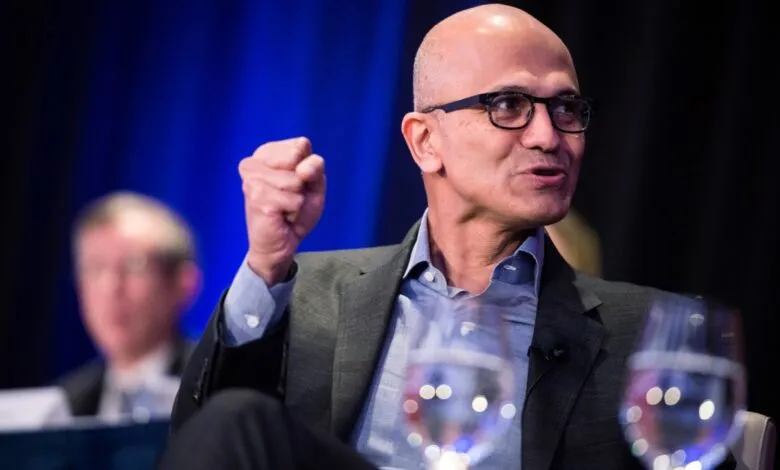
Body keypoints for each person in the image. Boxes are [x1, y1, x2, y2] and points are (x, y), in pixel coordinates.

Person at [160, 4, 735, 470]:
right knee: (237, 420)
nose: (548, 135)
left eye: (566, 108)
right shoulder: (308, 293)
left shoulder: (645, 334)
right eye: (509, 104)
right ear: (424, 141)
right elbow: (202, 437)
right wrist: (266, 262)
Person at [58, 191, 200, 421]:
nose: (111, 288)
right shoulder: (65, 406)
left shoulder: (213, 388)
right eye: (95, 267)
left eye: (134, 267)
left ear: (182, 283)